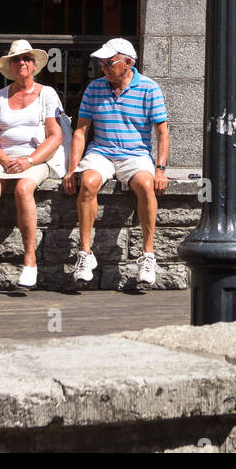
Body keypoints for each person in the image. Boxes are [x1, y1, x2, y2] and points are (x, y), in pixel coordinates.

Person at [63, 38, 168, 287]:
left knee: (146, 183)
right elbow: (81, 131)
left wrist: (160, 169)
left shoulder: (149, 88)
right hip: (101, 151)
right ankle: (85, 254)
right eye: (101, 63)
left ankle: (147, 255)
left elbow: (162, 132)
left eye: (109, 63)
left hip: (135, 153)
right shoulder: (94, 88)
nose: (103, 67)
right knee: (87, 182)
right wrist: (71, 169)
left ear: (128, 63)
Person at [0, 39, 66, 289]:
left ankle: (30, 260)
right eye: (17, 59)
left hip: (36, 157)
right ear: (10, 66)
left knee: (23, 189)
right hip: (4, 156)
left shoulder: (47, 94)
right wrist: (4, 159)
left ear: (34, 65)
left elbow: (56, 136)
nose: (22, 62)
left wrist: (29, 160)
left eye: (27, 59)